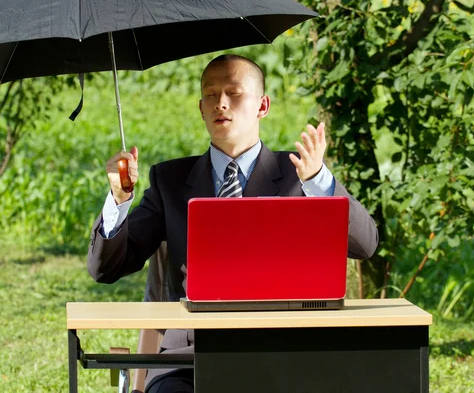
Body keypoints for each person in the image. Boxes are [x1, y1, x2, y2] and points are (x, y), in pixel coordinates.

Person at [88, 54, 378, 393]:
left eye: (234, 93)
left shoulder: (298, 174)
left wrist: (319, 183)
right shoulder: (170, 180)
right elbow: (105, 269)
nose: (220, 104)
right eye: (211, 95)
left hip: (284, 351)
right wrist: (119, 200)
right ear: (200, 107)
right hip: (190, 358)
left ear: (262, 105)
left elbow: (365, 245)